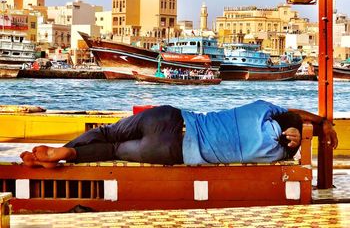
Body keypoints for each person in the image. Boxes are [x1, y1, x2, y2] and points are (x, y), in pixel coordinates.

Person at [20, 100, 338, 168]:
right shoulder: (275, 152)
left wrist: (324, 122)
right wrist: (301, 137)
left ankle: (61, 151)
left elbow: (293, 116)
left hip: (171, 118)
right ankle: (70, 154)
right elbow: (292, 138)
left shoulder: (260, 108)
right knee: (114, 150)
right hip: (174, 151)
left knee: (106, 133)